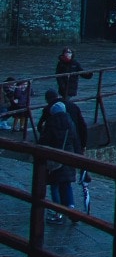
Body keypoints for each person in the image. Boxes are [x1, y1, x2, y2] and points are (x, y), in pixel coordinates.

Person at [35, 90, 84, 220]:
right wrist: (80, 157)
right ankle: (71, 208)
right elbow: (76, 141)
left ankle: (58, 212)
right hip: (69, 156)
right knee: (67, 184)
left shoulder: (51, 123)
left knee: (55, 185)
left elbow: (44, 140)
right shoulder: (70, 123)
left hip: (55, 157)